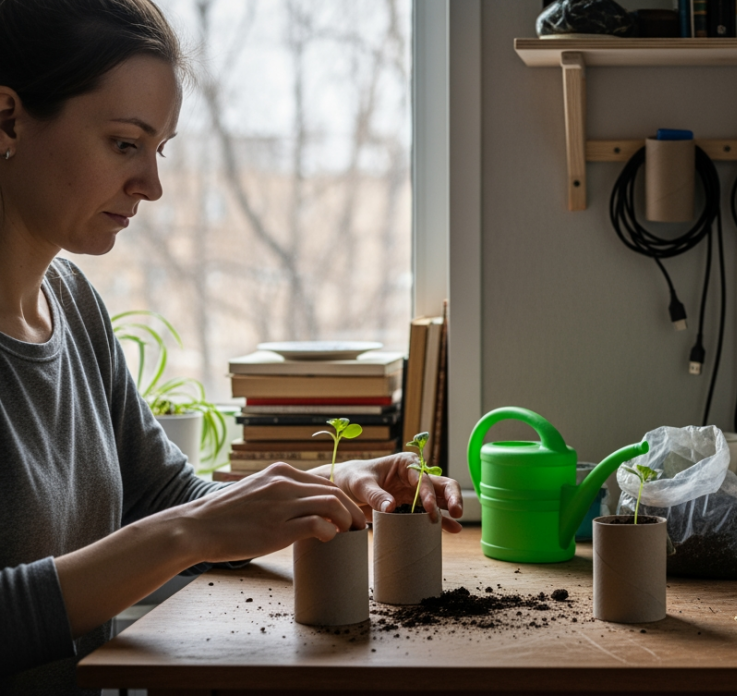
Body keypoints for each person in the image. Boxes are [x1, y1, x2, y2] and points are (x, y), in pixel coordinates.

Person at [0, 1, 462, 693]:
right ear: (8, 118)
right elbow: (181, 526)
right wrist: (192, 531)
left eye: (160, 150)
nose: (151, 185)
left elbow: (166, 498)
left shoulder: (73, 304)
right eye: (126, 143)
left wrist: (329, 486)